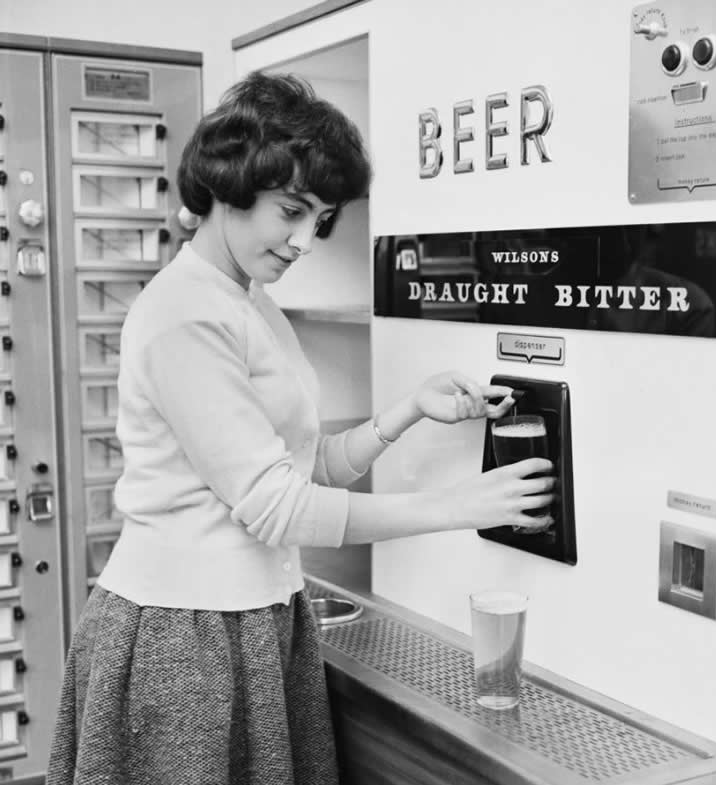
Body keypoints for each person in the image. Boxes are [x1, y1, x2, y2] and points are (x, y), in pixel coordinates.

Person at [47, 72, 554, 785]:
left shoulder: (248, 301)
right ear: (229, 184)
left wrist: (404, 413)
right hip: (183, 634)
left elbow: (302, 466)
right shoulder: (184, 313)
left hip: (251, 622)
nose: (304, 240)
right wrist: (464, 507)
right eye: (291, 210)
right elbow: (275, 504)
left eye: (318, 219)